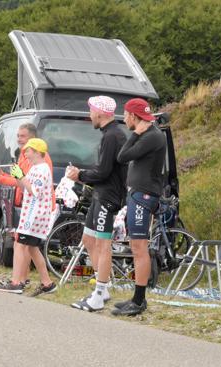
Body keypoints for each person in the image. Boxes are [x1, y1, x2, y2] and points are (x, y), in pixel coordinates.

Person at [65, 96, 128, 312]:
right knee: (88, 240)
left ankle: (99, 294)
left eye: (91, 110)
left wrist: (79, 175)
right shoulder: (108, 134)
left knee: (103, 244)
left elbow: (103, 172)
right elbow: (102, 168)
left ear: (100, 113)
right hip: (100, 194)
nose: (89, 114)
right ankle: (104, 286)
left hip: (109, 197)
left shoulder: (113, 136)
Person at [112, 98, 167, 316]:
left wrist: (135, 134)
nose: (124, 119)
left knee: (139, 247)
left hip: (144, 195)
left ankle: (139, 300)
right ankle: (137, 298)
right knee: (136, 247)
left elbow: (122, 156)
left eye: (125, 115)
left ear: (134, 116)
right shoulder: (150, 135)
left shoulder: (152, 136)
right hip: (139, 194)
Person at [0, 123, 54, 290]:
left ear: (35, 146)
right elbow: (22, 183)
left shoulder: (41, 166)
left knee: (20, 243)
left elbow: (33, 189)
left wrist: (19, 176)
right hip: (29, 210)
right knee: (31, 247)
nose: (19, 141)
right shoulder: (32, 162)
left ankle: (17, 282)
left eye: (22, 137)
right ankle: (47, 283)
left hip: (34, 213)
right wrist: (4, 177)